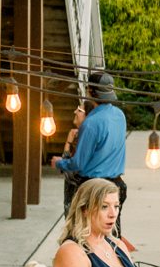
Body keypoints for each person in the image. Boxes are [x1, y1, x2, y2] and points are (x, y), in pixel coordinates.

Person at [54, 73, 128, 236]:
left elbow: (78, 164)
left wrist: (60, 162)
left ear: (90, 92)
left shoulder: (90, 124)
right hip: (116, 186)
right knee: (112, 236)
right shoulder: (119, 116)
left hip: (94, 188)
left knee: (86, 236)